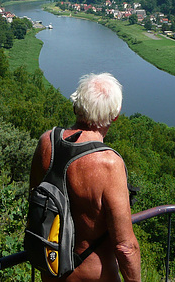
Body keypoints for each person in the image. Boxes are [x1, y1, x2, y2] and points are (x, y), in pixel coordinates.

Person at [29, 72, 141, 282]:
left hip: (50, 271)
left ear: (75, 106)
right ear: (115, 115)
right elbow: (125, 247)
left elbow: (34, 201)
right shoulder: (109, 163)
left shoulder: (47, 141)